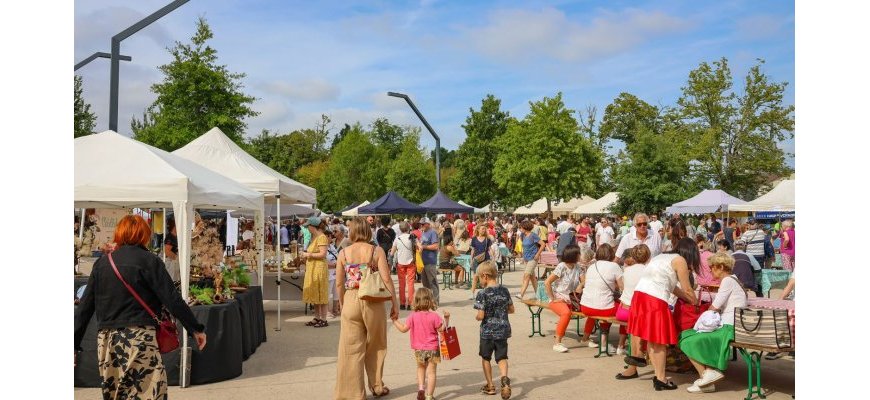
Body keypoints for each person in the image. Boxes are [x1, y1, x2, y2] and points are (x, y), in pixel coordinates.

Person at [74, 215, 207, 400]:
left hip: (107, 340)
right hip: (139, 338)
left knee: (115, 394)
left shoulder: (102, 263)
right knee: (148, 393)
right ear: (143, 234)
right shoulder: (149, 261)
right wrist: (195, 328)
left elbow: (85, 308)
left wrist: (73, 344)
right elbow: (172, 299)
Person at [334, 217, 399, 399]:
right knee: (377, 345)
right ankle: (377, 385)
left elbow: (339, 284)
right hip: (373, 300)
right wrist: (395, 303)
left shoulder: (343, 253)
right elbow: (386, 279)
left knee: (350, 349)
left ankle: (352, 393)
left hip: (351, 299)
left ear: (352, 232)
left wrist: (342, 304)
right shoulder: (376, 251)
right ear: (368, 231)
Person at [623, 238, 699, 391]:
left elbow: (671, 286)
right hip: (654, 300)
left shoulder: (660, 257)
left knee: (652, 338)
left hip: (639, 296)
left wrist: (685, 296)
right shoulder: (680, 261)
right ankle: (661, 378)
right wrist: (694, 301)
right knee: (658, 340)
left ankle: (659, 377)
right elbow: (688, 289)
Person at [678, 252, 748, 393]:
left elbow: (714, 307)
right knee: (688, 336)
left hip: (728, 327)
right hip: (732, 325)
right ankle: (707, 378)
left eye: (712, 268)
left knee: (686, 339)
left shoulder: (727, 281)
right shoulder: (735, 280)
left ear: (720, 267)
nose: (710, 271)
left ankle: (706, 375)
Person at [391, 288, 450, 400]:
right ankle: (429, 396)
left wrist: (394, 321)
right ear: (430, 301)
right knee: (431, 373)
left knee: (420, 368)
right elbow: (442, 330)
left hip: (418, 349)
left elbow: (403, 329)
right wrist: (446, 319)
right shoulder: (435, 316)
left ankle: (421, 389)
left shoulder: (413, 316)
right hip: (433, 349)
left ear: (416, 301)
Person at [473, 261, 514, 399]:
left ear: (485, 276)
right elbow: (511, 309)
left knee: (486, 358)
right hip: (503, 330)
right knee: (502, 357)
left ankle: (490, 385)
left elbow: (481, 315)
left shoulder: (482, 293)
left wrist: (478, 317)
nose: (479, 280)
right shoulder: (505, 290)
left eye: (479, 277)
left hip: (487, 332)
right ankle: (504, 380)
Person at [577, 244, 624, 348]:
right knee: (623, 310)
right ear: (611, 254)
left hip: (585, 307)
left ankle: (585, 338)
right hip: (604, 309)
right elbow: (622, 287)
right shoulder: (614, 266)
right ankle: (615, 344)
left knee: (597, 307)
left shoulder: (592, 266)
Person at [615, 244, 651, 378]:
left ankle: (635, 361)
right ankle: (639, 355)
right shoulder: (649, 271)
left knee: (636, 327)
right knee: (642, 322)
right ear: (648, 256)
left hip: (624, 311)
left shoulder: (627, 271)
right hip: (638, 312)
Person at [543, 245, 583, 353]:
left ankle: (586, 338)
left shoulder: (577, 267)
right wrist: (553, 298)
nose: (580, 255)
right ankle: (557, 343)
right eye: (579, 253)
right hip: (559, 299)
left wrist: (580, 285)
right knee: (566, 313)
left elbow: (584, 280)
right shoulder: (562, 266)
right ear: (573, 255)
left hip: (572, 299)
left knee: (593, 309)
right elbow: (547, 282)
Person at [302, 217, 330, 327]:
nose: (307, 228)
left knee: (321, 293)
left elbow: (323, 254)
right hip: (313, 268)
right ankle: (317, 317)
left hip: (319, 269)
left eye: (308, 226)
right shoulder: (315, 237)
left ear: (313, 226)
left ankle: (324, 318)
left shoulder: (322, 237)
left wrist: (308, 255)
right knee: (315, 294)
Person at [517, 220, 546, 300]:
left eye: (521, 227)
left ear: (525, 227)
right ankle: (539, 295)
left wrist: (537, 254)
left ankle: (521, 294)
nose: (520, 228)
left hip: (533, 258)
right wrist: (522, 256)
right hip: (526, 258)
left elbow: (543, 244)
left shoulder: (533, 235)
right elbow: (525, 246)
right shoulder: (522, 235)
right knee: (532, 278)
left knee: (526, 275)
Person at [391, 221, 417, 310]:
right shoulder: (412, 237)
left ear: (400, 229)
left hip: (400, 263)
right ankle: (410, 303)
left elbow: (392, 253)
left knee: (401, 284)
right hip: (411, 263)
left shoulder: (397, 239)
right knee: (410, 284)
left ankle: (402, 303)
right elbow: (420, 247)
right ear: (408, 228)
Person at [419, 218, 441, 305]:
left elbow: (436, 246)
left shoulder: (432, 232)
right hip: (423, 261)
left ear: (428, 224)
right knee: (425, 283)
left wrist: (423, 247)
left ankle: (435, 301)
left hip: (430, 261)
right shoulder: (423, 233)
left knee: (432, 282)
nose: (421, 225)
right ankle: (427, 301)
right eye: (421, 224)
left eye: (423, 224)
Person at [470, 225, 493, 299]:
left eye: (484, 229)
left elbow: (489, 249)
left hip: (485, 259)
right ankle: (472, 293)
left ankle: (485, 293)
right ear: (478, 230)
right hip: (476, 260)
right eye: (482, 229)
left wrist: (493, 258)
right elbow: (473, 250)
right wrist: (471, 259)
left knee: (485, 276)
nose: (484, 230)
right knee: (475, 276)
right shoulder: (474, 239)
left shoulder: (487, 239)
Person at [326, 229, 341, 319]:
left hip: (336, 273)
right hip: (328, 273)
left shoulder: (332, 246)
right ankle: (327, 311)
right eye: (330, 236)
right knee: (328, 293)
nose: (331, 238)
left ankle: (335, 309)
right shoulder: (323, 248)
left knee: (336, 293)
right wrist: (334, 265)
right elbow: (323, 262)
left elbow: (337, 256)